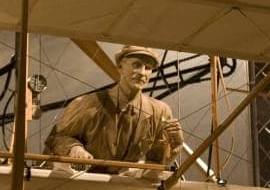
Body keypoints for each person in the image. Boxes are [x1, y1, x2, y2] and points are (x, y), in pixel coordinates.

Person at [44, 45, 183, 175]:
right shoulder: (87, 103)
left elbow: (156, 162)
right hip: (82, 181)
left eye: (148, 67)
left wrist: (174, 143)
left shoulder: (160, 111)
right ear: (120, 66)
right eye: (136, 65)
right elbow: (57, 138)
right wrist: (74, 148)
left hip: (122, 187)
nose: (142, 73)